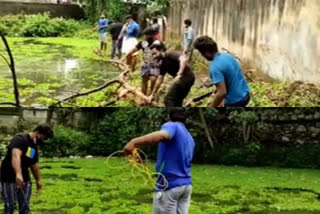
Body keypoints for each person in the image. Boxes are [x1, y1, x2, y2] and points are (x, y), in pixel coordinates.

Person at [123, 108, 195, 214]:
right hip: (186, 186)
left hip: (170, 186)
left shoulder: (172, 125)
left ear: (169, 117)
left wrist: (134, 142)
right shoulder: (189, 137)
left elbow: (162, 135)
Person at [1, 125, 54, 214]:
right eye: (43, 138)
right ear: (37, 133)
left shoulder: (33, 147)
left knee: (25, 206)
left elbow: (33, 164)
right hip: (8, 176)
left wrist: (38, 180)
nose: (43, 141)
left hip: (24, 177)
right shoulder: (20, 139)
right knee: (10, 205)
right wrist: (18, 174)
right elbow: (16, 156)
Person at [194, 36, 251, 107]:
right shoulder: (228, 56)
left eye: (201, 53)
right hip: (246, 95)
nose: (202, 55)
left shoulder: (214, 67)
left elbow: (222, 93)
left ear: (207, 52)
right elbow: (231, 79)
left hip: (236, 101)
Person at [148, 43, 195, 107]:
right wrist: (152, 94)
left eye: (155, 53)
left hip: (187, 77)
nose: (154, 56)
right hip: (184, 79)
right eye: (152, 55)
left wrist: (179, 73)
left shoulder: (170, 55)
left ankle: (173, 114)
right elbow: (159, 79)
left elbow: (183, 59)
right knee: (177, 101)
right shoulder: (163, 64)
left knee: (168, 100)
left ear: (161, 50)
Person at [126, 27, 164, 96]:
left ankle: (151, 95)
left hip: (156, 65)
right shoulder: (143, 43)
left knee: (153, 79)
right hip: (146, 65)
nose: (146, 36)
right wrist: (127, 56)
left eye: (148, 35)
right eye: (145, 35)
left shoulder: (158, 43)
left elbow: (164, 53)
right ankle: (144, 97)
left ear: (153, 35)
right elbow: (133, 50)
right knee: (144, 81)